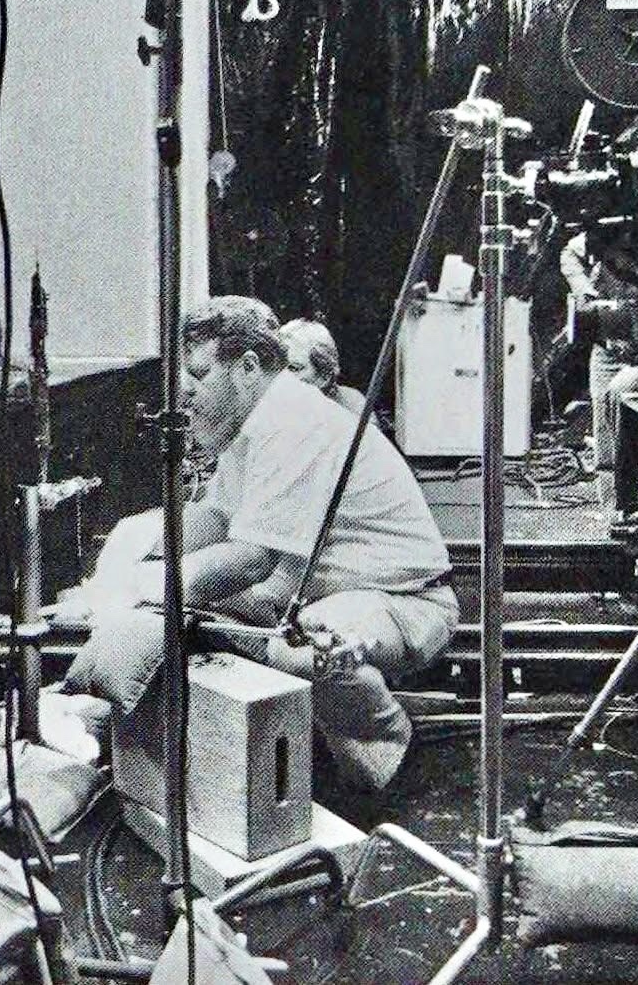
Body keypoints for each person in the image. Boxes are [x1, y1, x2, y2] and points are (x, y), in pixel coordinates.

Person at [63, 296, 456, 791]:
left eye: (200, 375)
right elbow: (217, 517)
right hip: (325, 593)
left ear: (248, 368)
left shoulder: (294, 422)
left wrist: (142, 586)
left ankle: (384, 746)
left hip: (403, 600)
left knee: (301, 649)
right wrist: (140, 543)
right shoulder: (257, 423)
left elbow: (253, 561)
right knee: (215, 614)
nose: (186, 392)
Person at [557, 230, 638, 467]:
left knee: (633, 419)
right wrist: (584, 290)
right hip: (606, 349)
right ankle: (608, 483)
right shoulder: (603, 233)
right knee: (604, 432)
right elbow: (569, 253)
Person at [278, 318, 368, 416]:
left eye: (294, 369)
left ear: (325, 374)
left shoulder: (353, 405)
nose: (280, 377)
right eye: (277, 367)